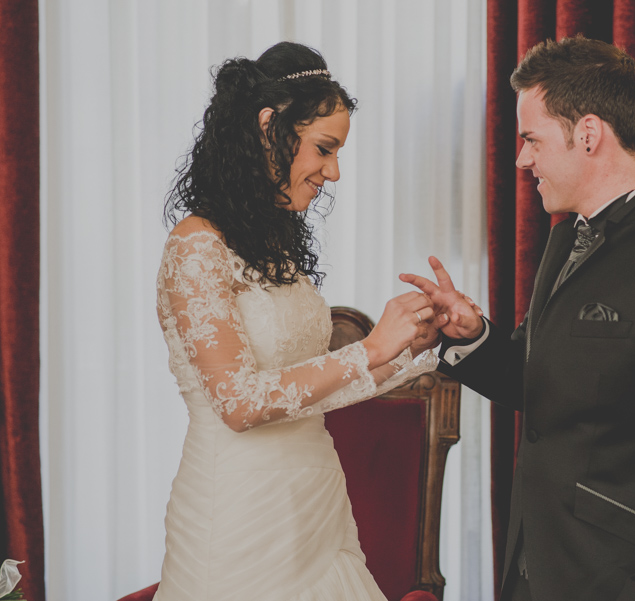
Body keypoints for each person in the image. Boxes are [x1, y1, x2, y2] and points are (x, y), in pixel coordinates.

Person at [401, 36, 635, 601]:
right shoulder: (564, 239)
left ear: (587, 134)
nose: (521, 159)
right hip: (533, 565)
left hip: (616, 580)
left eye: (531, 139)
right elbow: (543, 386)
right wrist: (474, 338)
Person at [154, 41, 442, 601]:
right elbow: (239, 404)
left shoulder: (274, 247)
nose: (333, 172)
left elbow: (308, 387)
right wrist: (373, 348)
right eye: (324, 149)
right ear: (269, 128)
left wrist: (411, 346)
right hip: (240, 522)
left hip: (316, 506)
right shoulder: (195, 248)